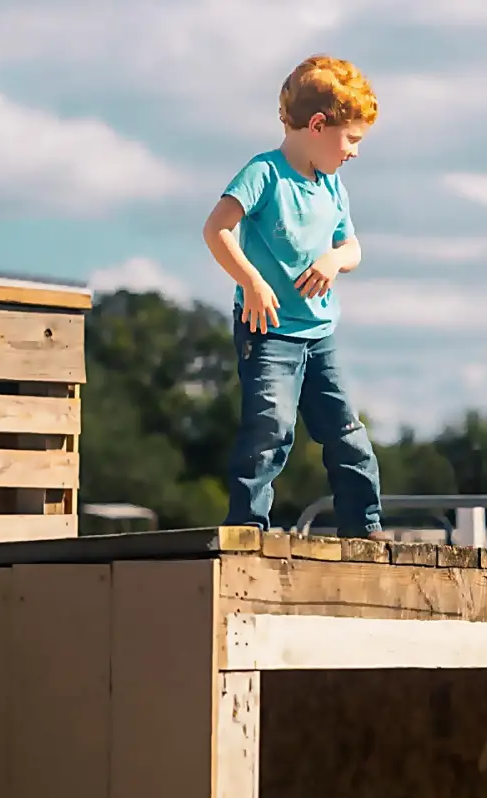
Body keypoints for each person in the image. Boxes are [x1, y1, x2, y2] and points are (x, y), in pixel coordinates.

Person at [202, 54, 384, 538]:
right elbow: (217, 229)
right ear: (319, 126)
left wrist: (334, 260)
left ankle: (363, 528)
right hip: (269, 334)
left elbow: (353, 246)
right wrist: (252, 283)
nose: (354, 153)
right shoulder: (264, 173)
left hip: (319, 335)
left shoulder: (332, 186)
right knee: (270, 431)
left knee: (347, 433)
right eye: (352, 139)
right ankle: (247, 526)